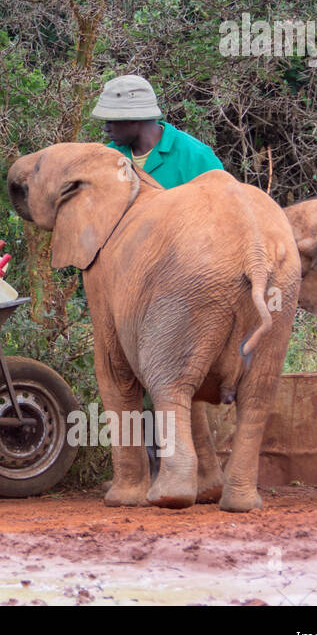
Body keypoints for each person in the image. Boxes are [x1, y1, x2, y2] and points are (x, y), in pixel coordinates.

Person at [92, 72, 225, 475]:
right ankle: (154, 468)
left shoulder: (195, 158)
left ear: (138, 118)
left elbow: (225, 222)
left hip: (185, 294)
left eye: (114, 118)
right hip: (124, 292)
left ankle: (186, 469)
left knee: (173, 380)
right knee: (127, 380)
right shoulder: (107, 160)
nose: (107, 126)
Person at [92, 74, 223, 187]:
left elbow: (222, 207)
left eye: (111, 121)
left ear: (134, 118)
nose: (106, 129)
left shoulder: (196, 157)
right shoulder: (109, 156)